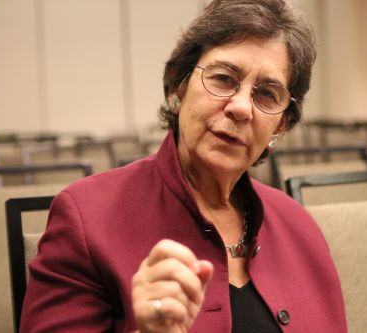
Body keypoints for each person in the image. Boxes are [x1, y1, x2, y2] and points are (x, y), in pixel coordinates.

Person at [20, 0, 347, 332]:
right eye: (223, 78)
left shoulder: (300, 226)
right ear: (180, 84)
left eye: (266, 94)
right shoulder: (87, 216)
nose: (240, 108)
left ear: (280, 125)